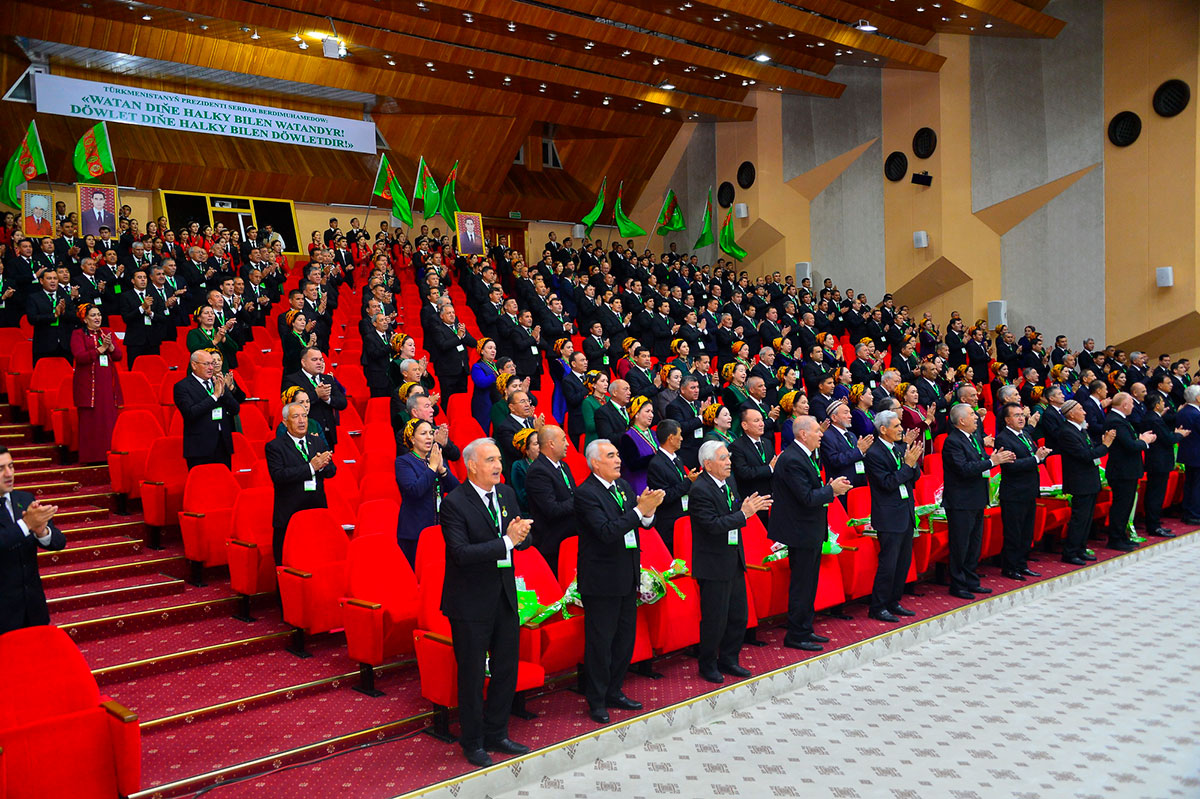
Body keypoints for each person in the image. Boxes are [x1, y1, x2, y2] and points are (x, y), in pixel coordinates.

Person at [438, 438, 533, 767]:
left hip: (504, 598)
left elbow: (522, 538)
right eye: (490, 460)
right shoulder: (454, 503)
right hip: (470, 604)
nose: (498, 465)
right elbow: (461, 554)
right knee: (473, 675)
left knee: (506, 670)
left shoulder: (506, 494)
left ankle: (498, 732)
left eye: (498, 459)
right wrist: (507, 539)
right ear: (472, 466)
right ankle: (473, 741)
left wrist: (520, 535)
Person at [575, 439, 664, 724]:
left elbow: (639, 524)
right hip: (601, 581)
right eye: (611, 456)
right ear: (595, 463)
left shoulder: (623, 487)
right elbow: (606, 531)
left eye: (617, 455)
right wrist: (639, 512)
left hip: (627, 576)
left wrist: (648, 511)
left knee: (624, 640)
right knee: (600, 643)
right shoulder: (586, 493)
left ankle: (615, 690)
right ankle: (597, 699)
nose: (618, 460)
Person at [688, 440, 771, 684]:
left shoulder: (728, 482)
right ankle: (708, 664)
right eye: (723, 458)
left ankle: (729, 659)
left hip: (733, 558)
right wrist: (744, 514)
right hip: (712, 564)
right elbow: (713, 525)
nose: (729, 462)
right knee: (715, 618)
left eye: (728, 457)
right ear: (708, 464)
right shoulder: (700, 490)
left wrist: (743, 509)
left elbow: (732, 511)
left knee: (738, 615)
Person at [770, 416, 851, 650]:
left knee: (809, 584)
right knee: (801, 585)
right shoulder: (793, 458)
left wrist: (828, 489)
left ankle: (805, 628)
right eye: (817, 431)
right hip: (800, 531)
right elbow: (806, 497)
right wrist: (831, 491)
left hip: (810, 529)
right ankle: (796, 634)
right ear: (803, 434)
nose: (821, 434)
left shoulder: (805, 455)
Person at [942, 404, 1015, 599]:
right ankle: (958, 584)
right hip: (960, 501)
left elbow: (980, 460)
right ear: (961, 421)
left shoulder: (973, 438)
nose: (976, 417)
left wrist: (994, 458)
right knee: (961, 545)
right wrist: (993, 461)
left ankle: (971, 580)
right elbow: (964, 469)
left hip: (976, 498)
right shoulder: (952, 442)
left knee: (974, 544)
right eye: (972, 415)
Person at [863, 410, 923, 622]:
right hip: (888, 516)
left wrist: (913, 463)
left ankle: (893, 601)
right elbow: (888, 483)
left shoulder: (899, 447)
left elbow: (913, 477)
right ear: (883, 429)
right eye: (897, 426)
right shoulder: (874, 454)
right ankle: (878, 606)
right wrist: (907, 465)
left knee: (903, 562)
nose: (901, 429)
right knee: (888, 564)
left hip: (905, 511)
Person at [0, 445, 64, 634]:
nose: (9, 473)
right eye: (1, 469)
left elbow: (59, 542)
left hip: (34, 608)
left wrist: (41, 531)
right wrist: (26, 525)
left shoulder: (25, 499)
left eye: (11, 466)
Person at [265, 401, 336, 564]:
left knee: (317, 559)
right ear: (285, 422)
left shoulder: (316, 441)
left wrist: (323, 466)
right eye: (296, 417)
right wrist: (311, 467)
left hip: (316, 508)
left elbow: (332, 471)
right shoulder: (275, 446)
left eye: (304, 416)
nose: (302, 421)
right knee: (289, 561)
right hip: (290, 513)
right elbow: (279, 476)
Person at [993, 403, 1050, 581]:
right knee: (1014, 532)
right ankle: (1010, 567)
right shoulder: (1003, 438)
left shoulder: (1025, 434)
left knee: (1027, 531)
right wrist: (1035, 459)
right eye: (1016, 415)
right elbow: (1011, 466)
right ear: (1007, 419)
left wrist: (1038, 454)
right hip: (1014, 492)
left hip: (1029, 489)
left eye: (1021, 414)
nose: (1021, 418)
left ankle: (1022, 564)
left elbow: (1031, 456)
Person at [1057, 400, 1116, 565]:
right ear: (1071, 414)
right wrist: (1106, 445)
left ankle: (1081, 548)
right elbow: (1084, 455)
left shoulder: (1081, 429)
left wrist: (1101, 444)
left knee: (1087, 517)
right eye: (1081, 409)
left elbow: (1090, 450)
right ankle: (1070, 552)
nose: (1084, 412)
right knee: (1079, 518)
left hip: (1089, 479)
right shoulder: (1067, 432)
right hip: (1079, 481)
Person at [395, 418, 460, 566]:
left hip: (439, 527)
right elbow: (415, 491)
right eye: (423, 433)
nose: (429, 437)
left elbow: (456, 489)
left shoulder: (436, 458)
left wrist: (442, 470)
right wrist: (432, 468)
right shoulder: (403, 462)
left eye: (431, 433)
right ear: (412, 439)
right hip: (414, 530)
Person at [1102, 392, 1156, 552]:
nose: (1133, 406)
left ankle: (1121, 535)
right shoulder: (1116, 421)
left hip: (1127, 470)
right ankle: (1115, 538)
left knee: (1126, 505)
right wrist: (1144, 441)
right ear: (1125, 405)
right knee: (1121, 505)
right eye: (1131, 404)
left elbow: (1130, 441)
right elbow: (1130, 446)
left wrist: (1139, 439)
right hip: (1122, 471)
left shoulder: (1120, 420)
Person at [70, 304, 124, 464]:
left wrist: (111, 346)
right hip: (88, 384)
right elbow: (80, 357)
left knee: (108, 417)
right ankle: (91, 457)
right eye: (93, 315)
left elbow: (118, 356)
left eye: (99, 314)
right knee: (91, 419)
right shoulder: (77, 334)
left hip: (107, 383)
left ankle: (108, 454)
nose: (97, 318)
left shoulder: (107, 332)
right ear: (85, 319)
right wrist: (101, 349)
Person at [523, 425, 576, 574]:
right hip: (554, 543)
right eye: (564, 440)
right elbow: (552, 509)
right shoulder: (538, 471)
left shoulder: (563, 466)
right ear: (551, 443)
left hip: (572, 536)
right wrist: (580, 500)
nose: (568, 444)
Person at [174, 349, 240, 469]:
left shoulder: (217, 382)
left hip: (223, 444)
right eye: (206, 364)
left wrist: (224, 393)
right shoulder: (182, 387)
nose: (211, 367)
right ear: (194, 365)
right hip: (200, 447)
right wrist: (214, 396)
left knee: (224, 484)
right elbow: (191, 413)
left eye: (212, 364)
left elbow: (235, 409)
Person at [645, 419, 697, 553]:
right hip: (670, 524)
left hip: (685, 516)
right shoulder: (656, 464)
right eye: (679, 434)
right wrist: (688, 482)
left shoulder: (677, 458)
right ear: (671, 438)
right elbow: (664, 496)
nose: (681, 438)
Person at [1141, 392, 1188, 537]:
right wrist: (1179, 434)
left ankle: (1154, 522)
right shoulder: (1154, 419)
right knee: (1155, 494)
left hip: (1159, 462)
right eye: (1161, 402)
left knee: (1157, 493)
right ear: (1156, 405)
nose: (1164, 404)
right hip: (1158, 462)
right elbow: (1167, 439)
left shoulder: (1155, 417)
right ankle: (1153, 525)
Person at [282, 347, 347, 448]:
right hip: (306, 432)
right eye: (314, 360)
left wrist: (327, 399)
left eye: (321, 360)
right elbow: (291, 404)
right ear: (303, 362)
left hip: (329, 433)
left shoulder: (328, 378)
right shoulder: (292, 379)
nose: (319, 363)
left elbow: (343, 403)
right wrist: (316, 394)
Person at [729, 408, 778, 524]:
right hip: (753, 500)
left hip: (772, 499)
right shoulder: (736, 446)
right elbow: (743, 472)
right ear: (744, 425)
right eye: (756, 421)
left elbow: (775, 466)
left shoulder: (767, 442)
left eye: (762, 420)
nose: (761, 424)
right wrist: (769, 469)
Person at [428, 304, 477, 404]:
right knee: (448, 399)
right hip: (447, 372)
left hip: (462, 370)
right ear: (441, 316)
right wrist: (458, 337)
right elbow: (443, 345)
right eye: (448, 313)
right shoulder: (438, 329)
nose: (452, 315)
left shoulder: (459, 327)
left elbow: (473, 343)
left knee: (463, 398)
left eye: (453, 312)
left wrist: (464, 335)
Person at [617, 396, 657, 494]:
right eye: (647, 412)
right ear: (636, 414)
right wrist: (657, 457)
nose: (651, 415)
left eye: (652, 412)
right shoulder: (628, 437)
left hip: (656, 481)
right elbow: (632, 464)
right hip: (639, 485)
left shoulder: (654, 433)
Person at [1176, 385, 1200, 524]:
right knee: (1196, 485)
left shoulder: (1183, 411)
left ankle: (1188, 510)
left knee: (1190, 483)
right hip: (1197, 454)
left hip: (1188, 452)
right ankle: (1195, 513)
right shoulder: (1196, 414)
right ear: (1198, 398)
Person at [469, 338, 501, 431]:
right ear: (482, 351)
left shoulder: (497, 364)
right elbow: (481, 382)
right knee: (484, 429)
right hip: (483, 402)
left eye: (494, 348)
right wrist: (495, 375)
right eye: (490, 348)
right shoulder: (477, 366)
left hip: (497, 400)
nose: (493, 350)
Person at [594, 377, 631, 446]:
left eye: (629, 389)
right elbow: (607, 438)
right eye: (625, 389)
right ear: (614, 392)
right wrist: (631, 434)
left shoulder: (631, 408)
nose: (629, 393)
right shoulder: (602, 412)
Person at [508, 428, 538, 511]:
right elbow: (523, 498)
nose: (540, 446)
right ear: (526, 450)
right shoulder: (519, 466)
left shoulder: (547, 461)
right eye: (536, 444)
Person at [580, 371, 608, 448]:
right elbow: (590, 426)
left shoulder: (609, 400)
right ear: (594, 384)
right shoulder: (588, 402)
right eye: (602, 381)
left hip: (609, 440)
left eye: (607, 381)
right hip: (595, 442)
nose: (606, 384)